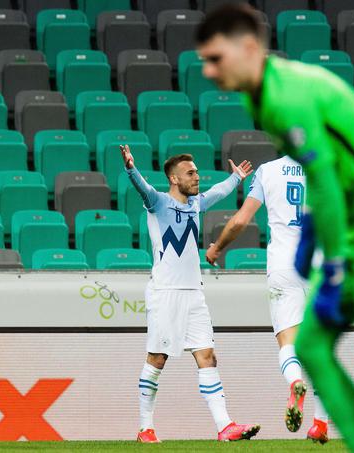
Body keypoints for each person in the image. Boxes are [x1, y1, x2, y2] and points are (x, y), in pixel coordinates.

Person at [195, 5, 354, 453]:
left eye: (215, 58)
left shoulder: (287, 99)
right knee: (311, 349)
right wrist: (309, 249)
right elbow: (318, 186)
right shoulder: (260, 97)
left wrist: (337, 264)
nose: (208, 71)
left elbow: (324, 182)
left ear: (249, 48)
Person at [121, 145, 260, 443]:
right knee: (157, 359)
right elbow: (142, 188)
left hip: (194, 294)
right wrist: (131, 168)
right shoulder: (157, 203)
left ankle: (225, 427)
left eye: (196, 172)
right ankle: (145, 428)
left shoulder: (195, 203)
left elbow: (218, 193)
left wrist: (236, 178)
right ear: (174, 178)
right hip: (165, 293)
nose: (197, 177)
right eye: (190, 173)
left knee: (207, 356)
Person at [205, 155, 330, 443]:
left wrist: (217, 249)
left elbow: (241, 220)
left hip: (284, 265)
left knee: (288, 341)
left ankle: (295, 381)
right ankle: (320, 424)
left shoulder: (268, 171)